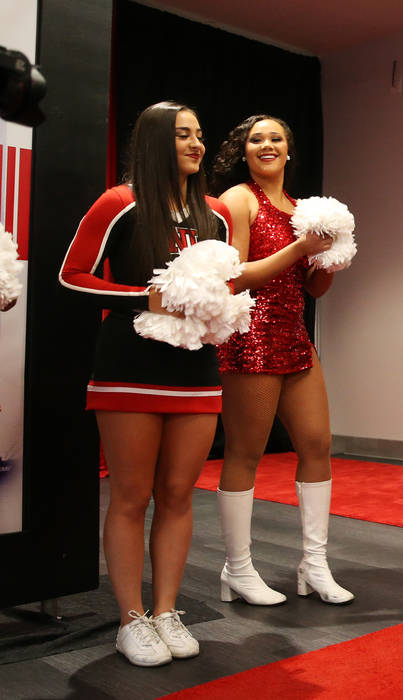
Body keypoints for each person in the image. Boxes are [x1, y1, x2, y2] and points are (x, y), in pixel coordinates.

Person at [58, 102, 232, 667]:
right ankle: (130, 619)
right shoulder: (120, 202)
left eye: (199, 135)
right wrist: (142, 296)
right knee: (132, 495)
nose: (195, 144)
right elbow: (70, 275)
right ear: (155, 140)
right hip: (130, 367)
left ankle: (166, 611)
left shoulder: (217, 214)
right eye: (183, 134)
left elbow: (225, 286)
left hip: (196, 371)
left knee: (180, 495)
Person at [210, 115, 352, 606]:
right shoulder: (239, 199)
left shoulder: (302, 208)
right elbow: (235, 278)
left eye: (275, 138)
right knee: (245, 453)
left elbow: (312, 287)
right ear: (244, 151)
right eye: (256, 139)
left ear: (289, 150)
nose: (266, 145)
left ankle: (314, 565)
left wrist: (330, 261)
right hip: (250, 339)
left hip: (295, 339)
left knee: (318, 444)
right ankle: (237, 569)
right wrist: (300, 247)